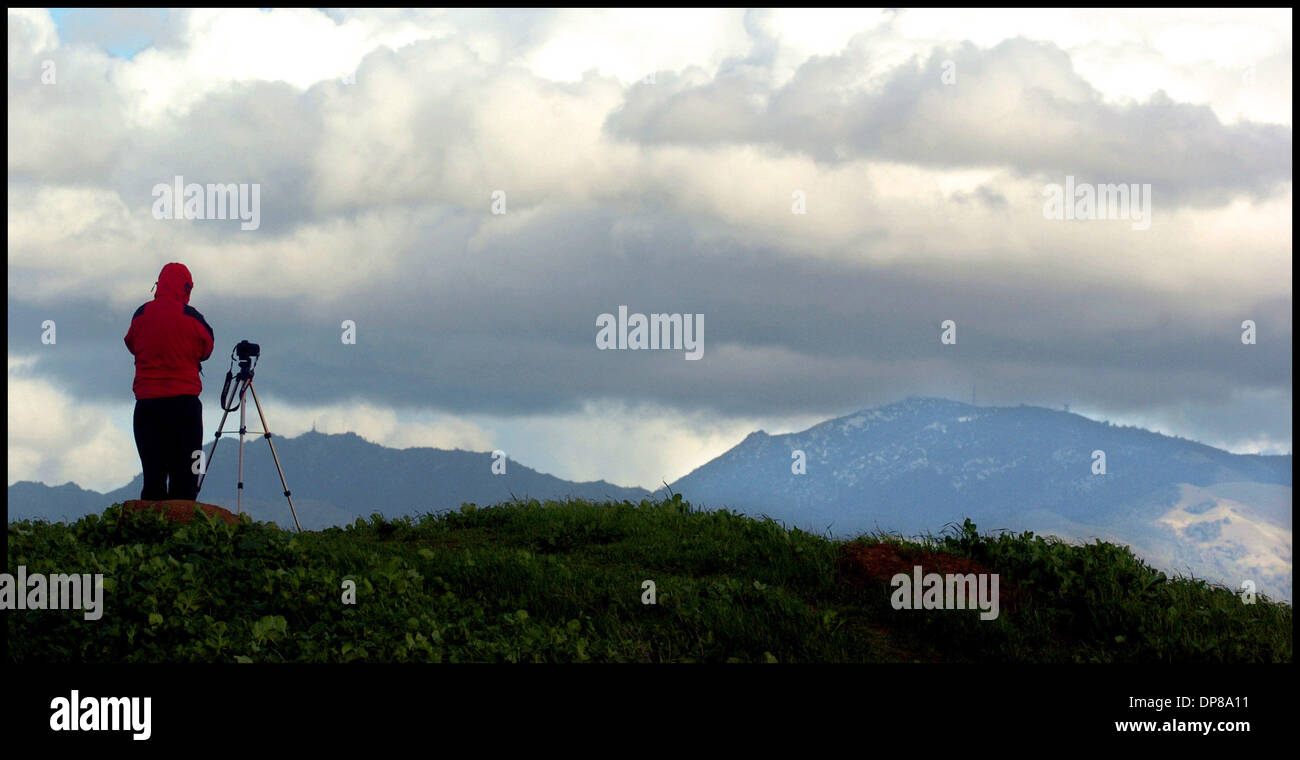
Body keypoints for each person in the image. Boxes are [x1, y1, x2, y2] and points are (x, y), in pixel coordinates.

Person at [124, 262, 214, 500]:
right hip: (184, 406)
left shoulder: (140, 315)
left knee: (153, 476)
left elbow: (131, 343)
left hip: (147, 407)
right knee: (186, 477)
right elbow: (207, 347)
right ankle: (181, 531)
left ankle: (151, 533)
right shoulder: (193, 317)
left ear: (159, 284)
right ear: (186, 288)